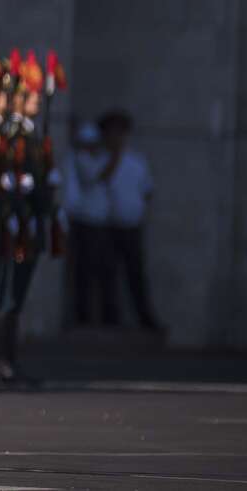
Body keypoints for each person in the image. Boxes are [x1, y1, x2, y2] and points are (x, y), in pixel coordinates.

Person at [96, 110, 157, 330]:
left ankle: (145, 318)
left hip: (132, 225)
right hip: (108, 225)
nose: (116, 139)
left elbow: (147, 190)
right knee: (107, 274)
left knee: (136, 274)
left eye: (120, 134)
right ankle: (109, 319)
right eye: (112, 134)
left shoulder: (137, 162)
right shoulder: (100, 160)